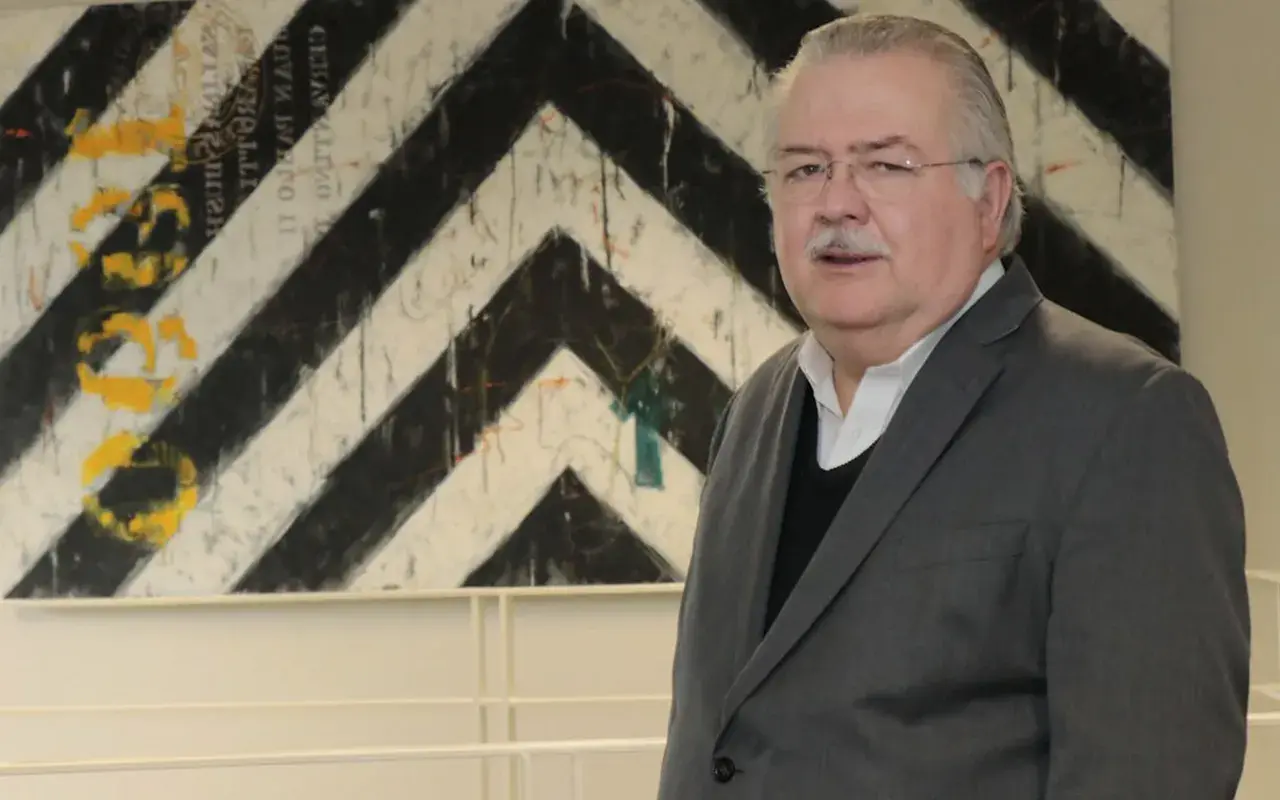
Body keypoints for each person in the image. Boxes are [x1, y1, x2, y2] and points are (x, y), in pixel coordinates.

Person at [656, 13, 1250, 800]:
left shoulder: (1126, 420)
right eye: (804, 169)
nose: (836, 203)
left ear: (989, 200)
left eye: (886, 165)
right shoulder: (756, 409)